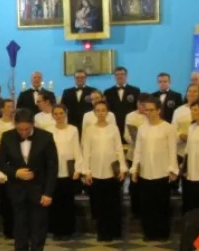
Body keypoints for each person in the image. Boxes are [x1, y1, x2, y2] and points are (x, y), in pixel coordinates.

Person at [0, 109, 57, 251]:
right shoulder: (7, 136)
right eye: (20, 129)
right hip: (17, 190)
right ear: (15, 125)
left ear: (32, 125)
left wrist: (48, 193)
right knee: (19, 227)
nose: (23, 133)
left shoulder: (46, 137)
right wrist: (15, 173)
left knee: (38, 227)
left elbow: (52, 168)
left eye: (26, 129)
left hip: (39, 190)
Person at [131, 96, 178, 241]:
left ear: (159, 110)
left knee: (161, 204)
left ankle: (162, 233)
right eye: (147, 110)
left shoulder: (168, 128)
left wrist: (173, 169)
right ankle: (149, 232)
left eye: (152, 110)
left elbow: (172, 150)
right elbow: (138, 150)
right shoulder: (142, 129)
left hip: (162, 171)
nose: (150, 113)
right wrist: (134, 169)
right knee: (147, 205)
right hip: (146, 172)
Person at [84, 101, 128, 242]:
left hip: (111, 172)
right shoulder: (89, 129)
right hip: (96, 171)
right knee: (99, 204)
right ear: (94, 112)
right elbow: (87, 151)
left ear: (107, 112)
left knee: (113, 203)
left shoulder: (113, 128)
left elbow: (119, 149)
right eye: (98, 110)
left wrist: (122, 168)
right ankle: (102, 232)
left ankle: (114, 231)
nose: (101, 113)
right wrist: (87, 171)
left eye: (103, 110)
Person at [47, 104, 82, 240]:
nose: (59, 116)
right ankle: (56, 230)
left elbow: (76, 149)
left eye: (61, 113)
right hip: (53, 171)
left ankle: (68, 230)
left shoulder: (73, 130)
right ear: (53, 116)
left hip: (68, 171)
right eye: (56, 114)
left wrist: (78, 168)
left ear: (65, 114)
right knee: (54, 201)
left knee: (67, 201)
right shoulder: (48, 131)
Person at [0, 100, 16, 239]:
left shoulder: (17, 122)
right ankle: (8, 229)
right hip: (3, 163)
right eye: (7, 106)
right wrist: (2, 156)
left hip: (17, 164)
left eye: (12, 106)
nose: (10, 109)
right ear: (2, 109)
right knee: (5, 198)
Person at [104, 66, 141, 143]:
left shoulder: (135, 90)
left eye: (122, 74)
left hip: (130, 124)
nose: (119, 76)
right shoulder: (107, 92)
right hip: (114, 124)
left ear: (126, 76)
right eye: (117, 74)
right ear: (114, 76)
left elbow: (137, 108)